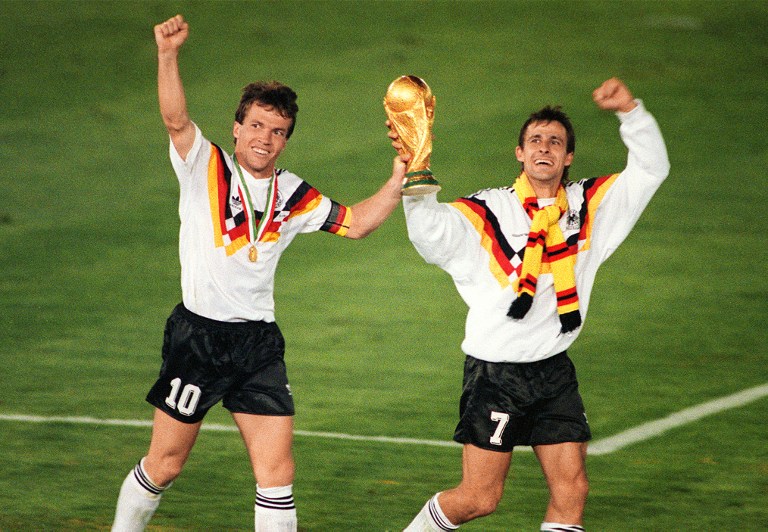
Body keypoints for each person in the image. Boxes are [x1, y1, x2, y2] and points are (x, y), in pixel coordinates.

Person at [111, 14, 407, 532]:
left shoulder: (294, 193)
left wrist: (399, 176)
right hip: (198, 337)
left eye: (277, 132)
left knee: (277, 474)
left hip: (257, 346)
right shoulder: (203, 164)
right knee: (165, 464)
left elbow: (356, 224)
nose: (265, 139)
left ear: (286, 139)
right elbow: (177, 121)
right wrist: (167, 54)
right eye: (256, 126)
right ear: (236, 127)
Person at [395, 78, 669, 531]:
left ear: (568, 157)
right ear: (519, 153)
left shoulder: (591, 208)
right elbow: (431, 238)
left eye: (555, 142)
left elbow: (650, 170)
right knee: (479, 498)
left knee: (572, 489)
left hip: (553, 370)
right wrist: (417, 173)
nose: (545, 147)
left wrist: (631, 112)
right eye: (535, 140)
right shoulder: (488, 212)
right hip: (495, 374)